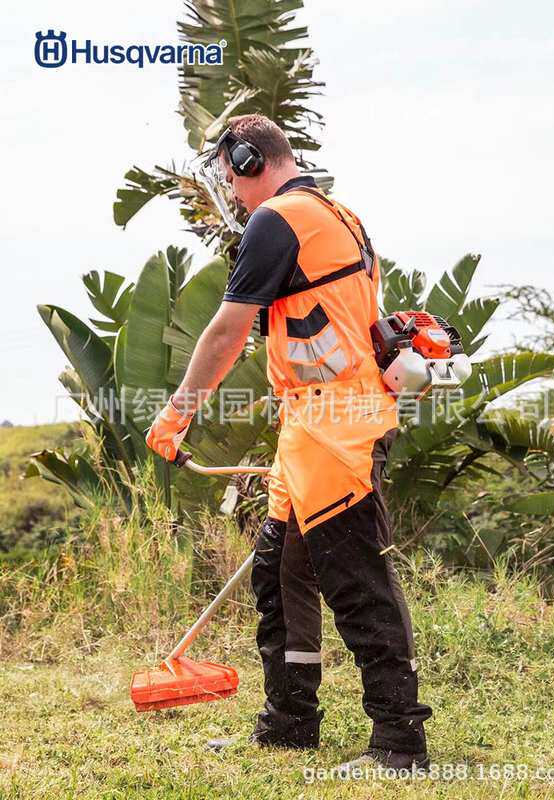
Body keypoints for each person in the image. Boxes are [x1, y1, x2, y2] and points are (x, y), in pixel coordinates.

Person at [146, 114, 432, 772]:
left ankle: (399, 742)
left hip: (338, 428)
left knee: (358, 584)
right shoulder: (339, 214)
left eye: (230, 178)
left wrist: (178, 412)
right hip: (312, 423)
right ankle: (289, 724)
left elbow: (225, 331)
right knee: (279, 573)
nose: (233, 194)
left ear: (250, 161)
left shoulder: (279, 219)